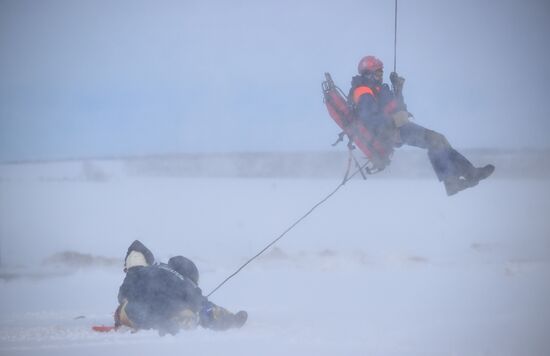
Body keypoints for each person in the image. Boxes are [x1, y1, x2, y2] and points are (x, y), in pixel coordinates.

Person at [349, 55, 494, 196]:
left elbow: (398, 108)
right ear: (369, 73)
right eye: (378, 72)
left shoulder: (378, 89)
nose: (381, 75)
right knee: (435, 140)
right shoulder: (364, 92)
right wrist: (394, 121)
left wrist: (398, 89)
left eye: (382, 72)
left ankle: (467, 174)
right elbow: (370, 121)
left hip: (398, 127)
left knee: (438, 139)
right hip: (390, 132)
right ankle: (453, 181)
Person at [114, 240, 248, 335]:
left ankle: (160, 321)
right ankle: (169, 323)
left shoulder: (154, 268)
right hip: (160, 311)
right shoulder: (186, 283)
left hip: (130, 305)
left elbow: (136, 247)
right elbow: (207, 309)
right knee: (190, 313)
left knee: (132, 307)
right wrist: (232, 320)